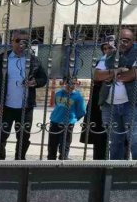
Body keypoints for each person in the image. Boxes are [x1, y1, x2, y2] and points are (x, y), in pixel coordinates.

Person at [0, 30, 49, 160]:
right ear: (12, 42)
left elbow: (43, 78)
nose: (21, 44)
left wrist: (35, 82)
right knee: (1, 137)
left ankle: (19, 162)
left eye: (25, 41)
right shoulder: (1, 59)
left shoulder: (32, 60)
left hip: (25, 107)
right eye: (17, 40)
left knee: (23, 137)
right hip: (6, 107)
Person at [96, 28, 137, 160]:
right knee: (115, 142)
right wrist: (118, 70)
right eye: (121, 39)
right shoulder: (109, 55)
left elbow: (131, 75)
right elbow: (97, 75)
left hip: (130, 105)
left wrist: (110, 74)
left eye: (127, 40)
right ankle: (115, 173)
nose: (124, 42)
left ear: (133, 41)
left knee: (135, 140)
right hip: (109, 105)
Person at [81, 40, 115, 160]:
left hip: (118, 102)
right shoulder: (102, 62)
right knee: (100, 136)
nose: (107, 51)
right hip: (99, 102)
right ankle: (99, 164)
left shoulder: (123, 60)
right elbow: (98, 77)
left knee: (120, 136)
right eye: (104, 49)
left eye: (110, 48)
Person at [48, 78, 86, 160]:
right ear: (65, 83)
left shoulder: (78, 97)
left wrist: (74, 119)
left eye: (74, 84)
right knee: (52, 143)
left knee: (65, 142)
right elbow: (56, 104)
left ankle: (63, 157)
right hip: (55, 121)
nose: (71, 86)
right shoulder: (58, 93)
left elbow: (82, 111)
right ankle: (51, 158)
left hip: (68, 123)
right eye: (69, 83)